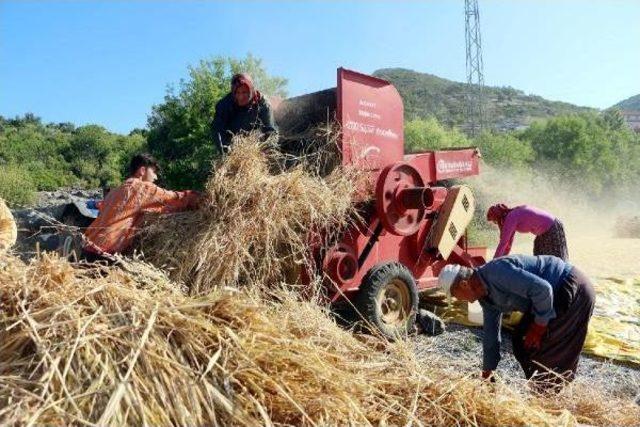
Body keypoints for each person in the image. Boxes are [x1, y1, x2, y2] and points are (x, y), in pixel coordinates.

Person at [438, 255, 595, 390]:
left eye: (456, 295)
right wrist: (488, 371)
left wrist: (538, 328)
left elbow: (543, 290)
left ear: (464, 284)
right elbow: (491, 336)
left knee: (546, 345)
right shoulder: (486, 299)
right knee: (520, 342)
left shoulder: (496, 272)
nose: (459, 300)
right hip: (546, 300)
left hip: (569, 287)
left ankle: (550, 395)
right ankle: (541, 388)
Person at [82, 153, 201, 263]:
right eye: (153, 172)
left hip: (88, 246)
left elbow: (153, 209)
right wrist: (198, 198)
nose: (156, 177)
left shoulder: (116, 191)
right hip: (105, 251)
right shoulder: (141, 188)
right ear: (142, 170)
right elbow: (173, 198)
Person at [211, 73, 278, 153]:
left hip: (255, 146)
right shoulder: (224, 105)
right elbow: (217, 130)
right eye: (237, 93)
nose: (241, 97)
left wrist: (265, 150)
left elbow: (271, 132)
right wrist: (226, 149)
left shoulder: (263, 103)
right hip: (232, 144)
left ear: (251, 91)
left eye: (244, 92)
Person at [487, 203, 568, 261]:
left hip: (551, 229)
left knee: (551, 260)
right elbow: (508, 244)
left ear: (498, 217)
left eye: (495, 220)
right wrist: (500, 260)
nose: (496, 223)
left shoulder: (510, 218)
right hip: (546, 230)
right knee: (539, 257)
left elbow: (503, 243)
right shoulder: (512, 215)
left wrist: (493, 262)